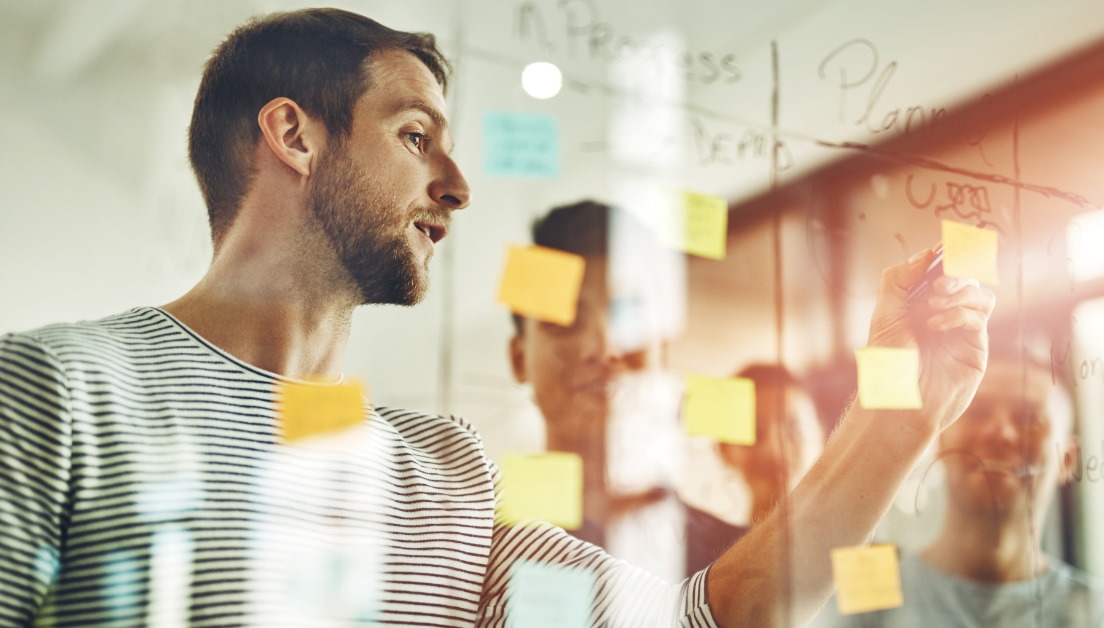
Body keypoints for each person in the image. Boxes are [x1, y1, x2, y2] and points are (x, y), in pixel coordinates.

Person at [0, 7, 995, 627]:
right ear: (292, 135)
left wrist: (897, 412)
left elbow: (708, 619)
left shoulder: (448, 468)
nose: (459, 186)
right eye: (416, 134)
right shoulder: (57, 391)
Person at [814, 348, 1104, 627]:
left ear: (1066, 461)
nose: (1000, 433)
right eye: (976, 412)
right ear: (941, 438)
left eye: (1027, 418)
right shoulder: (862, 596)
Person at [507, 200, 746, 580]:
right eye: (564, 321)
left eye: (629, 316)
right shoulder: (477, 559)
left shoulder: (739, 564)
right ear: (520, 359)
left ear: (662, 348)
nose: (603, 348)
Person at [717, 363, 826, 528]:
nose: (773, 450)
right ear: (724, 450)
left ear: (822, 436)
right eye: (753, 433)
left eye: (793, 431)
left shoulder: (860, 543)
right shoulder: (709, 551)